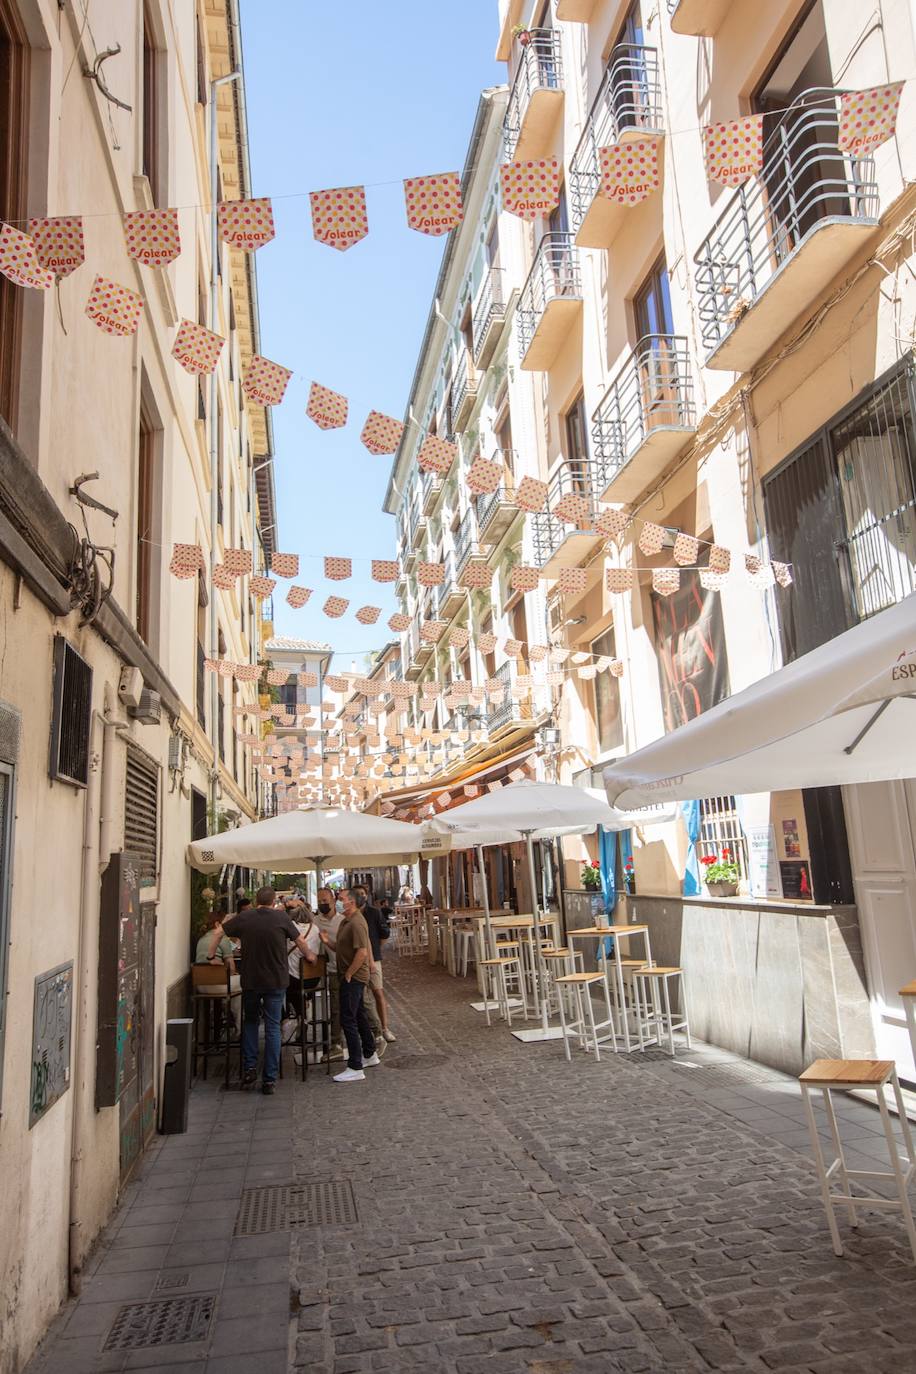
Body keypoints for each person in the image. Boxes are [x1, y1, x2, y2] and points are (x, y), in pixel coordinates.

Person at [220, 887, 314, 1094]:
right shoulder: (281, 918)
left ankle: (250, 1068)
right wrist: (310, 956)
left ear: (256, 901)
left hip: (251, 980)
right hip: (275, 980)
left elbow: (220, 931)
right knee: (272, 1027)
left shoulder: (245, 917)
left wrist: (211, 954)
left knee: (250, 1022)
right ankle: (269, 1079)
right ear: (274, 902)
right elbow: (300, 941)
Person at [319, 887, 379, 1082]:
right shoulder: (346, 921)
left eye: (341, 898)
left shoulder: (357, 922)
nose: (338, 901)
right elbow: (342, 948)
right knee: (359, 1015)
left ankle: (355, 1066)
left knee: (348, 1019)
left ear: (351, 902)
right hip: (348, 975)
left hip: (353, 977)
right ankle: (370, 1053)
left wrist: (349, 974)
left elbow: (362, 952)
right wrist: (327, 942)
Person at [353, 883, 396, 1043]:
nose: (360, 896)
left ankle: (384, 1028)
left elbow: (384, 934)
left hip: (374, 959)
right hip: (356, 960)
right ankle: (368, 1029)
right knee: (361, 997)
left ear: (367, 895)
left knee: (378, 992)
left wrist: (376, 949)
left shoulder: (374, 912)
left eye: (362, 893)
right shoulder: (350, 914)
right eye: (356, 893)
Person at [313, 886, 345, 1060]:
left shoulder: (342, 921)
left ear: (333, 900)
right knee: (334, 1008)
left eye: (325, 900)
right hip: (326, 969)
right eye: (319, 901)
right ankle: (335, 1043)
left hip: (342, 968)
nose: (322, 904)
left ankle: (370, 1036)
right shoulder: (315, 921)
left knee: (345, 1007)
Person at [194, 911, 241, 1030]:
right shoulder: (222, 938)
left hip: (200, 986)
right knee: (243, 983)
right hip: (218, 985)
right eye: (226, 922)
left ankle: (225, 1013)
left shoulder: (201, 939)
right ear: (217, 924)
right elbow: (231, 967)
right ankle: (239, 1025)